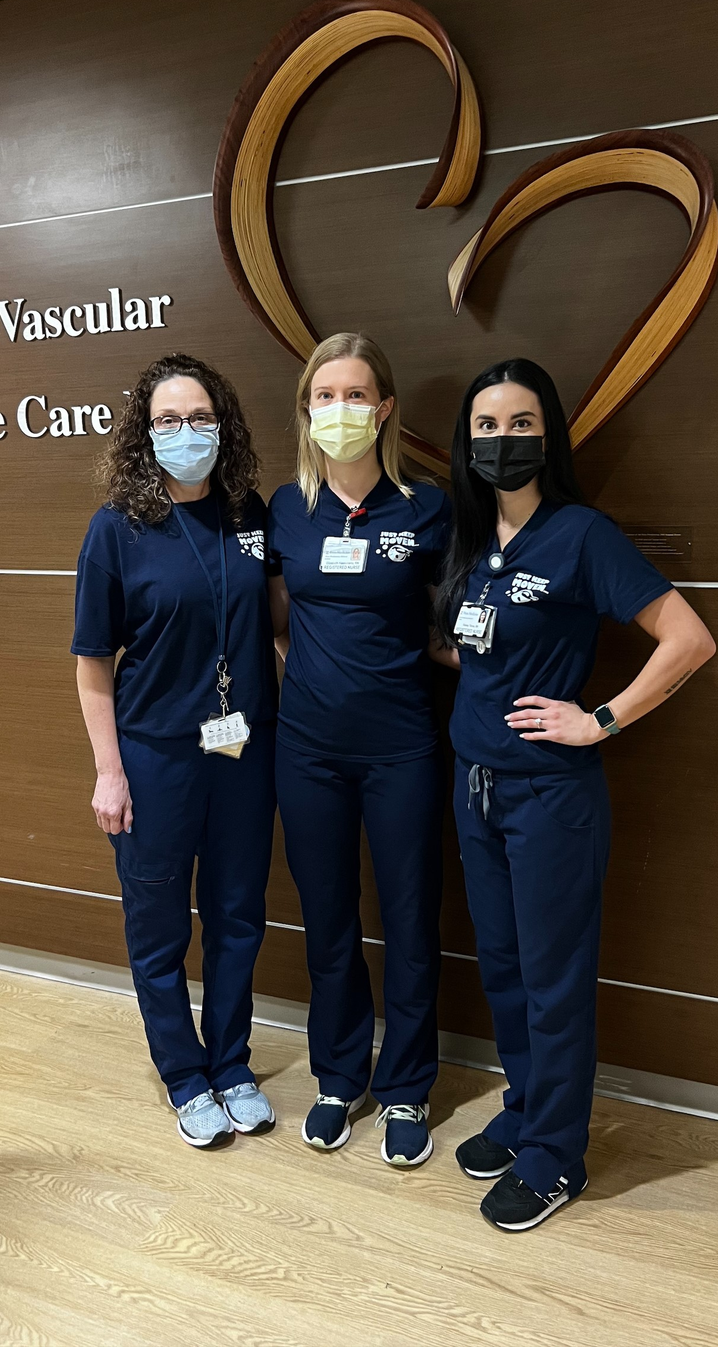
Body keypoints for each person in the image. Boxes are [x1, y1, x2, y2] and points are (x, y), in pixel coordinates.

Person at [432, 357, 716, 1230]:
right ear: (468, 439)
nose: (503, 439)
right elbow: (461, 645)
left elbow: (689, 638)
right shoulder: (474, 540)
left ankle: (558, 1156)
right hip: (472, 786)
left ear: (547, 436)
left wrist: (601, 717)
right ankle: (525, 1111)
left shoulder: (581, 534)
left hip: (551, 796)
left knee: (554, 979)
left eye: (521, 424)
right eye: (488, 425)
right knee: (508, 970)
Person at [72, 353, 278, 1149]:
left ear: (221, 426)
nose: (186, 433)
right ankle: (184, 1076)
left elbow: (280, 621)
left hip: (241, 753)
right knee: (159, 928)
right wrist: (109, 771)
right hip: (156, 759)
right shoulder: (116, 528)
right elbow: (93, 665)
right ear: (144, 433)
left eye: (200, 418)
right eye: (168, 421)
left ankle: (230, 1063)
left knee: (237, 917)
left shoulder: (250, 514)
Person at [267, 332, 452, 1169]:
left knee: (411, 919)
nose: (338, 411)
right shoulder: (284, 510)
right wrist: (305, 674)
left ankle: (409, 1085)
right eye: (323, 396)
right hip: (306, 749)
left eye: (354, 395)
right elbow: (273, 618)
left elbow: (455, 625)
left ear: (384, 409)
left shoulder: (429, 507)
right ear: (306, 412)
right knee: (329, 918)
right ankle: (341, 1076)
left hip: (402, 746)